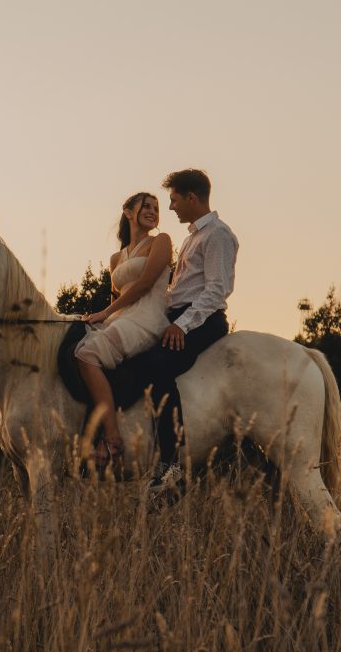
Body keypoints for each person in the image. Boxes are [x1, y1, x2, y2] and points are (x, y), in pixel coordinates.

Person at [119, 169, 238, 496]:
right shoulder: (191, 237)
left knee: (158, 365)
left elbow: (216, 291)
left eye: (173, 200)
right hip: (177, 314)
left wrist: (181, 325)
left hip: (203, 321)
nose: (169, 208)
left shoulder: (218, 235)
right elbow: (177, 289)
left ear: (191, 197)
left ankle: (172, 463)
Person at [75, 192, 173, 468]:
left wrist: (105, 314)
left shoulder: (161, 241)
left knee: (87, 355)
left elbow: (144, 284)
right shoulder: (116, 258)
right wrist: (99, 318)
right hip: (121, 318)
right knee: (76, 343)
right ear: (128, 212)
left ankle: (112, 437)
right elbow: (115, 298)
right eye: (147, 206)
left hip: (147, 318)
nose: (154, 211)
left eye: (156, 207)